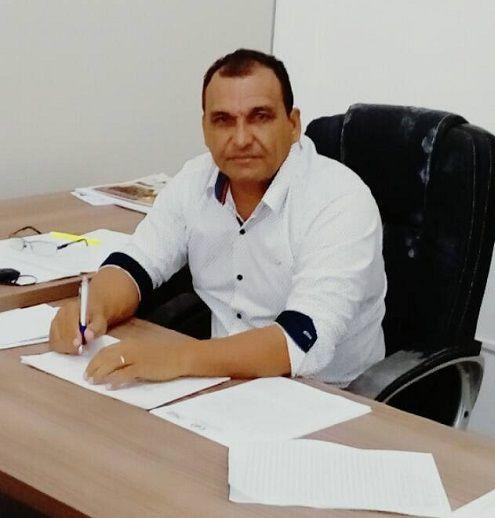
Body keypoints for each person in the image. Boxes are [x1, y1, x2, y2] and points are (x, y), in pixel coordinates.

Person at [49, 49, 386, 388]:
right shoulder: (194, 180)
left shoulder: (339, 200)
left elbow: (300, 342)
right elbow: (137, 262)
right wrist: (93, 306)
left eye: (260, 117)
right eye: (223, 120)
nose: (241, 139)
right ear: (205, 128)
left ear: (293, 124)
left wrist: (176, 358)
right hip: (220, 383)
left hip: (327, 396)